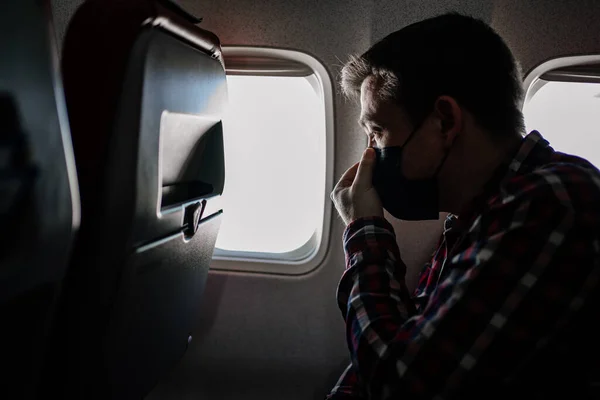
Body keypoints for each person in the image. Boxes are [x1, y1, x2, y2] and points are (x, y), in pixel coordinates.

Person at [328, 12, 600, 400]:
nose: (370, 156)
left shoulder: (551, 205)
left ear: (444, 121)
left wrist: (363, 231)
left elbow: (401, 384)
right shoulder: (479, 217)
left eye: (377, 131)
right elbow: (412, 337)